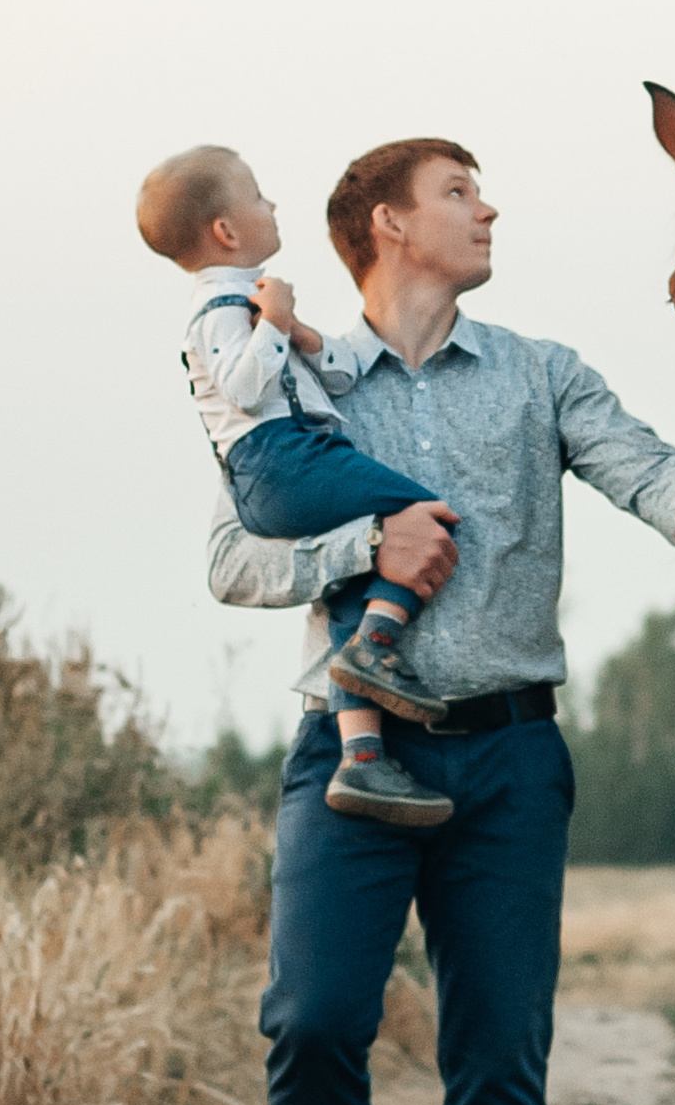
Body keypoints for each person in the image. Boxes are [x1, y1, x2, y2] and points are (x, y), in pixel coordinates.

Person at [206, 135, 675, 1105]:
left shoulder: (541, 373)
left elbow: (655, 475)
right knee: (312, 1019)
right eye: (460, 191)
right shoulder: (292, 375)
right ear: (387, 222)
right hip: (349, 750)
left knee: (500, 1054)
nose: (490, 208)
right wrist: (364, 543)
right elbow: (229, 560)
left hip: (511, 754)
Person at [138, 144, 464, 827]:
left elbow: (332, 378)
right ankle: (376, 646)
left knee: (353, 573)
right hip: (281, 459)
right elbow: (246, 385)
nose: (273, 205)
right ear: (226, 231)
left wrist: (302, 335)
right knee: (423, 513)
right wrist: (277, 323)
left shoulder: (247, 302)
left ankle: (362, 757)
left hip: (287, 456)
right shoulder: (220, 307)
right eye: (258, 196)